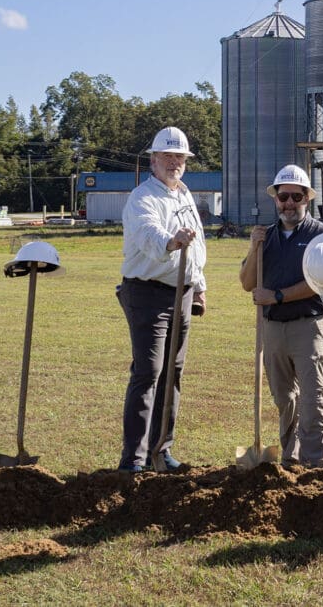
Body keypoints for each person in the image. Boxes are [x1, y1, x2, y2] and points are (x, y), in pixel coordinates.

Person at [116, 126, 207, 472]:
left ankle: (161, 451)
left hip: (181, 292)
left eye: (179, 157)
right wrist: (170, 242)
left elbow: (197, 246)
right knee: (148, 372)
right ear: (153, 160)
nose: (174, 162)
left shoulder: (184, 194)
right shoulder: (142, 197)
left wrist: (199, 286)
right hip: (147, 293)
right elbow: (147, 233)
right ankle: (133, 460)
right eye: (167, 156)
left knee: (173, 373)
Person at [239, 164, 323, 465]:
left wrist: (277, 296)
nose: (289, 203)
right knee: (284, 398)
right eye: (283, 197)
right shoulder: (265, 236)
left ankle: (315, 463)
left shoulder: (321, 235)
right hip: (272, 328)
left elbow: (321, 282)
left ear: (307, 198)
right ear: (275, 199)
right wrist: (253, 248)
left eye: (296, 197)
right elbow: (247, 283)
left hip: (308, 326)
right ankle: (291, 459)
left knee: (313, 397)